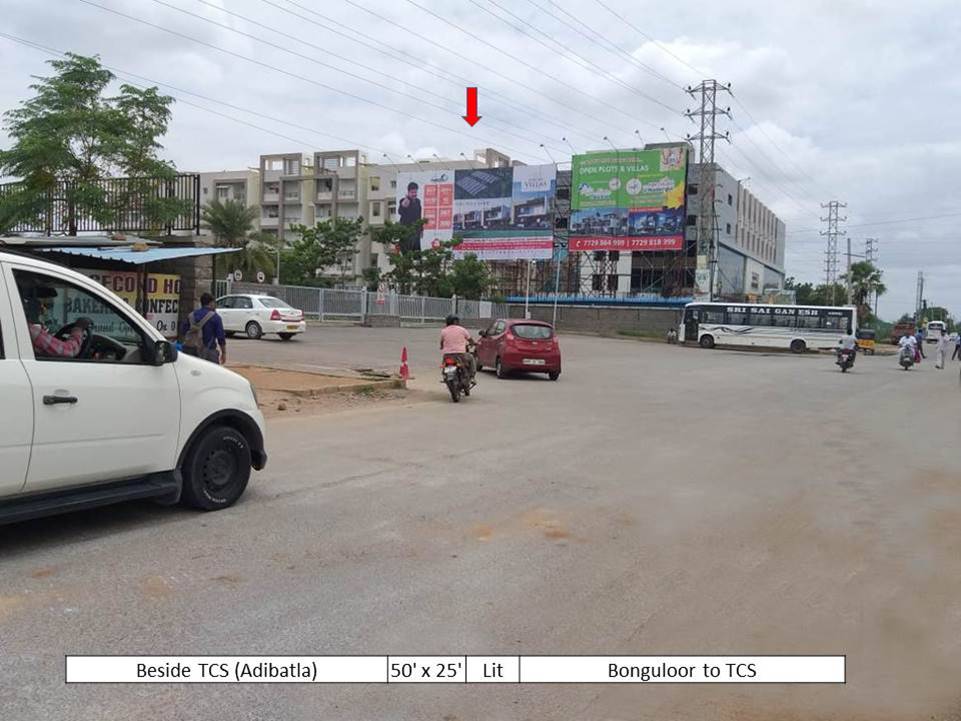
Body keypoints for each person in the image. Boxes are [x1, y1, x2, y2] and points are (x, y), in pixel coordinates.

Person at [21, 284, 90, 359]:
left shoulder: (23, 329)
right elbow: (69, 350)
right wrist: (79, 328)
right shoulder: (28, 331)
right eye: (38, 306)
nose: (42, 310)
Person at [181, 293, 226, 364]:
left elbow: (183, 331)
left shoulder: (191, 315)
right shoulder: (216, 317)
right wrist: (223, 353)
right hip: (208, 352)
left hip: (189, 350)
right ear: (211, 303)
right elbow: (221, 338)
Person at [440, 314, 475, 384]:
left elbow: (442, 342)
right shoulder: (462, 330)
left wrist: (442, 347)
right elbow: (470, 340)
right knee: (471, 358)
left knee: (446, 366)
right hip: (460, 355)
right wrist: (473, 343)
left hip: (447, 355)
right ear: (456, 321)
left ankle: (446, 377)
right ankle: (472, 377)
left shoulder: (443, 331)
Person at [397, 181, 423, 253]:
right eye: (412, 192)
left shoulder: (418, 201)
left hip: (416, 231)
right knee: (406, 251)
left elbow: (419, 216)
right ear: (408, 192)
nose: (414, 194)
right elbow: (400, 211)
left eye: (415, 192)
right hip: (406, 231)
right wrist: (405, 203)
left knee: (417, 252)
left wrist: (421, 229)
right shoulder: (404, 200)